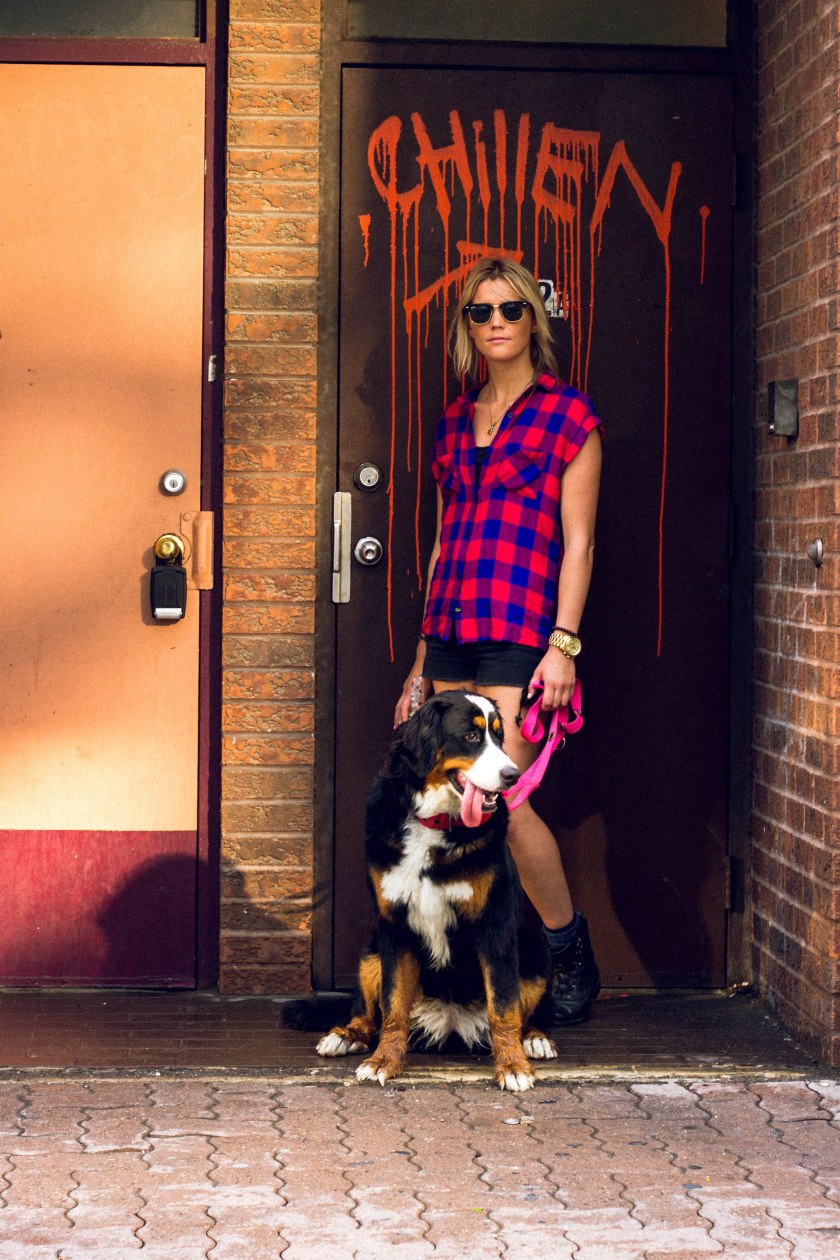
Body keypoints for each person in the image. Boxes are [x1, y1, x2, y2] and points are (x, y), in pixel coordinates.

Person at [394, 257, 603, 1025]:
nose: (495, 325)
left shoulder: (568, 416)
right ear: (467, 328)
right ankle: (469, 969)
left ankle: (566, 946)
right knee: (451, 797)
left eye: (509, 311)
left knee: (502, 800)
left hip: (520, 630)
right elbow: (446, 538)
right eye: (480, 314)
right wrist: (420, 661)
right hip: (451, 628)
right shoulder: (456, 418)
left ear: (532, 320)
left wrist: (564, 645)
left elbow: (578, 543)